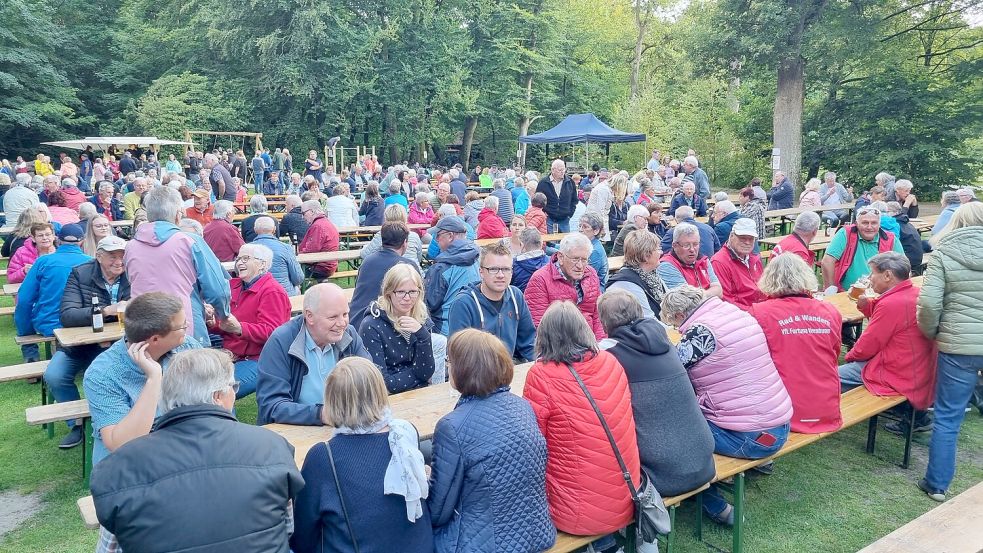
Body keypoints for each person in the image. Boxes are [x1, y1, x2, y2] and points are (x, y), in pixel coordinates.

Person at [90, 349, 303, 553]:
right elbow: (287, 528)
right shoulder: (272, 446)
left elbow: (109, 549)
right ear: (218, 395)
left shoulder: (117, 468)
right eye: (233, 387)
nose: (234, 393)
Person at [660, 285, 792, 525]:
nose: (679, 330)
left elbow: (673, 373)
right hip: (779, 424)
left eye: (674, 323)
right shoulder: (736, 314)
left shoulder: (701, 333)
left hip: (749, 436)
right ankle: (760, 465)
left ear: (680, 315)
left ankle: (714, 504)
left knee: (674, 433)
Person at [523, 302, 638, 550]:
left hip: (577, 512)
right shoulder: (610, 361)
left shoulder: (541, 375)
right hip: (627, 495)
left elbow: (532, 440)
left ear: (544, 336)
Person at [428, 329, 555, 552]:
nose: (448, 366)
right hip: (537, 532)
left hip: (483, 544)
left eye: (450, 361)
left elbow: (437, 511)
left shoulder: (451, 427)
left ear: (462, 369)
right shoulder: (523, 406)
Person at [291, 357, 433, 553]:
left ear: (331, 399)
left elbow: (303, 536)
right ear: (380, 392)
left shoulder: (323, 456)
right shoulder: (405, 433)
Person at [596, 290, 716, 496]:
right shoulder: (665, 341)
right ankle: (717, 506)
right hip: (703, 456)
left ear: (604, 322)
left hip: (662, 472)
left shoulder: (608, 352)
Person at [917, 202, 983, 501]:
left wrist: (933, 333)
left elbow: (929, 304)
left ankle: (937, 485)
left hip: (959, 346)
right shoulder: (944, 253)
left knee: (948, 417)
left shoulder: (944, 253)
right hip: (962, 342)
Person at [839, 252, 937, 432]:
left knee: (831, 377)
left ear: (887, 275)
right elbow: (894, 321)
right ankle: (916, 415)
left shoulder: (891, 303)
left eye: (872, 273)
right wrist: (868, 306)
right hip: (918, 367)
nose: (870, 278)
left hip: (897, 370)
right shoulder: (914, 292)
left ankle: (811, 413)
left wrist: (849, 356)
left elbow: (868, 345)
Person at [125, 186, 231, 345]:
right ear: (178, 214)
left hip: (141, 328)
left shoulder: (131, 246)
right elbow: (217, 290)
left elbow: (131, 279)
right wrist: (223, 314)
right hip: (183, 326)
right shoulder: (189, 241)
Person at [749, 254, 843, 433]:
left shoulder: (759, 313)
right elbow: (835, 354)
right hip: (826, 409)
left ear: (769, 278)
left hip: (783, 411)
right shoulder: (830, 311)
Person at [256, 283, 372, 425]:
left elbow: (370, 381)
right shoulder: (282, 341)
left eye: (345, 314)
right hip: (294, 431)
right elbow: (272, 405)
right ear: (309, 316)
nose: (342, 323)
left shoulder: (349, 334)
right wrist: (322, 414)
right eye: (333, 317)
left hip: (344, 425)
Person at [208, 243, 291, 399]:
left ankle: (225, 423)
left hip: (261, 359)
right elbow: (227, 324)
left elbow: (273, 333)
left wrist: (239, 328)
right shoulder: (234, 286)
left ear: (263, 265)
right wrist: (213, 323)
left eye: (246, 258)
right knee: (200, 386)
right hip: (231, 355)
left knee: (221, 393)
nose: (239, 263)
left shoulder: (272, 291)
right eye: (238, 258)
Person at [447, 242, 537, 362]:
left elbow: (529, 344)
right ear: (481, 272)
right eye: (493, 269)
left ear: (511, 272)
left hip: (510, 369)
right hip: (476, 375)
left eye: (505, 269)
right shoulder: (463, 304)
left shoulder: (516, 296)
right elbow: (458, 355)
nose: (500, 275)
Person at [359, 264, 439, 393]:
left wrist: (423, 336)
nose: (407, 298)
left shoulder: (421, 316)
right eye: (401, 292)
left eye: (412, 292)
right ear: (388, 293)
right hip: (387, 400)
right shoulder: (371, 325)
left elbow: (426, 371)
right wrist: (416, 374)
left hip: (419, 394)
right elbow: (382, 383)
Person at [14, 224, 91, 353]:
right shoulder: (92, 262)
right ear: (82, 241)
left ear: (58, 240)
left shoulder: (43, 262)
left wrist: (26, 333)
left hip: (49, 324)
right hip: (85, 323)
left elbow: (23, 300)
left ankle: (31, 355)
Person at [525, 233, 605, 340]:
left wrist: (599, 346)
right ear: (560, 257)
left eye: (584, 260)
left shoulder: (591, 274)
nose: (580, 266)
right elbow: (539, 326)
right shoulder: (540, 279)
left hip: (592, 344)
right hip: (560, 348)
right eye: (575, 259)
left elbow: (598, 317)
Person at [821, 205, 904, 292]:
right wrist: (830, 290)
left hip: (879, 294)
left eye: (874, 223)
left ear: (879, 224)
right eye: (865, 223)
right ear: (856, 224)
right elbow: (827, 261)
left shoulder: (890, 239)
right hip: (845, 293)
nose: (869, 227)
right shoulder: (845, 233)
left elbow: (903, 267)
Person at [350, 222, 418, 329]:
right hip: (379, 325)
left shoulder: (368, 261)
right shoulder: (407, 266)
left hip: (355, 321)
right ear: (405, 243)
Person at [424, 216, 480, 335]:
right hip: (475, 327)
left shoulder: (441, 267)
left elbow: (430, 303)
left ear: (450, 236)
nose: (436, 239)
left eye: (438, 235)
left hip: (447, 330)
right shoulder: (478, 258)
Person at [607, 229, 665, 319]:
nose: (661, 252)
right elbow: (648, 320)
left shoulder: (651, 275)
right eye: (658, 249)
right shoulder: (627, 284)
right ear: (646, 255)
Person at [710, 218, 766, 310]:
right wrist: (755, 311)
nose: (747, 242)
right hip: (741, 316)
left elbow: (765, 288)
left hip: (761, 310)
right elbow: (725, 301)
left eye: (751, 239)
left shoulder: (755, 258)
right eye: (742, 238)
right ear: (731, 236)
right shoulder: (719, 262)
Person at [657, 223, 723, 297]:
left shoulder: (704, 260)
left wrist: (699, 295)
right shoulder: (666, 266)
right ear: (675, 246)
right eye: (686, 245)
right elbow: (687, 300)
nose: (692, 249)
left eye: (695, 244)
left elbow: (719, 291)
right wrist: (711, 293)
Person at [252, 216, 304, 297]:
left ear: (255, 230)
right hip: (284, 295)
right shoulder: (286, 248)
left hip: (257, 296)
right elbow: (298, 278)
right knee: (297, 289)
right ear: (274, 229)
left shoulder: (246, 249)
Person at [360, 203, 425, 264]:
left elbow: (365, 254)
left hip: (393, 270)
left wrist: (365, 247)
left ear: (386, 218)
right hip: (413, 270)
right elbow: (419, 257)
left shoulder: (382, 234)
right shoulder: (414, 236)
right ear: (405, 217)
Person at [299, 199, 341, 280]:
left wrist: (298, 254)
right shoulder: (325, 222)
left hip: (321, 267)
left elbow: (310, 252)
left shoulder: (318, 226)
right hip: (329, 264)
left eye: (303, 213)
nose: (302, 217)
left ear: (312, 211)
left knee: (292, 273)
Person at [536, 159, 577, 232]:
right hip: (549, 219)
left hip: (565, 220)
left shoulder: (570, 182)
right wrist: (543, 212)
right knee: (550, 242)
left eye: (564, 169)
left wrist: (569, 214)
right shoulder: (543, 183)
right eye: (560, 170)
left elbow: (574, 200)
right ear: (553, 170)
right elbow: (537, 200)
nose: (563, 172)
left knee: (566, 241)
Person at [885, 201, 923, 271]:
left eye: (886, 211)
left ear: (893, 212)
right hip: (917, 258)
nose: (884, 214)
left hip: (909, 261)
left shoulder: (893, 225)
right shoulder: (904, 221)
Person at [512, 227, 549, 292]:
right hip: (546, 300)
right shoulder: (551, 262)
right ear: (541, 243)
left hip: (521, 300)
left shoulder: (513, 264)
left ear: (522, 245)